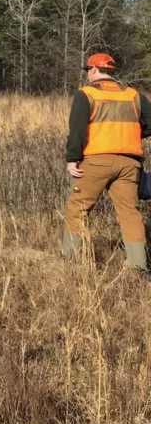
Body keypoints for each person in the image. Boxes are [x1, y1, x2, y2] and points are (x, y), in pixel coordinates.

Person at [62, 52, 151, 272]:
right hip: (130, 163)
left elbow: (77, 130)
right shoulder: (133, 95)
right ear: (111, 71)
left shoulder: (86, 94)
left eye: (88, 71)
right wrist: (127, 136)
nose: (88, 75)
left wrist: (73, 159)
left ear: (93, 70)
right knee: (130, 213)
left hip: (96, 161)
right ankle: (137, 267)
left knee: (78, 209)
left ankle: (73, 263)